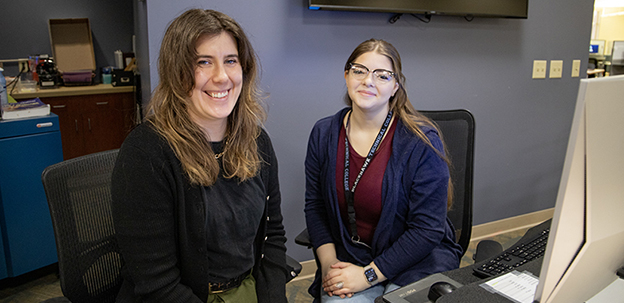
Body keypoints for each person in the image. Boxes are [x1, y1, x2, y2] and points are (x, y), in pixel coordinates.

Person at [111, 9, 288, 303]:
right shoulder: (146, 153)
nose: (221, 77)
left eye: (230, 61)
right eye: (203, 62)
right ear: (177, 72)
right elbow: (157, 284)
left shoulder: (256, 140)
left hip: (247, 288)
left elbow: (274, 236)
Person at [304, 38, 463, 302]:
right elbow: (315, 206)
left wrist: (367, 276)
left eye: (382, 75)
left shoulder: (420, 141)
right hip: (350, 259)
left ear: (395, 87)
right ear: (346, 75)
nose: (368, 81)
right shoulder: (324, 133)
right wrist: (330, 267)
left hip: (417, 260)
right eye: (360, 70)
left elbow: (427, 230)